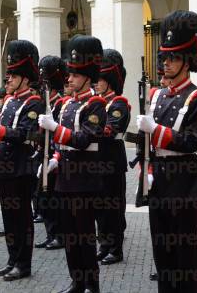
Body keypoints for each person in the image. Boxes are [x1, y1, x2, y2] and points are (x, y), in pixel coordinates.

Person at [136, 11, 197, 293]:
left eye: (174, 58)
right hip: (158, 183)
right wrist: (144, 163)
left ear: (188, 61)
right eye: (164, 58)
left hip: (182, 183)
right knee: (162, 251)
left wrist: (154, 130)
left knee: (183, 254)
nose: (166, 63)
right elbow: (147, 141)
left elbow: (191, 141)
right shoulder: (156, 95)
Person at [39, 35, 106, 293]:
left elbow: (82, 139)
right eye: (70, 74)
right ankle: (77, 281)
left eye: (76, 75)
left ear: (88, 77)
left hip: (85, 179)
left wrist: (55, 128)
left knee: (85, 236)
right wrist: (55, 158)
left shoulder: (96, 104)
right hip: (66, 178)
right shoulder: (68, 104)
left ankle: (92, 284)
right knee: (70, 236)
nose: (69, 79)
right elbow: (63, 144)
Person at [0, 40, 43, 282]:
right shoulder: (9, 101)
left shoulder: (34, 102)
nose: (9, 80)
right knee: (8, 216)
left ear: (25, 78)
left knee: (22, 218)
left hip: (22, 166)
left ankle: (23, 263)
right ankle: (12, 259)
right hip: (5, 165)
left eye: (14, 75)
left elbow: (24, 134)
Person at [95, 49, 130, 266]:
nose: (96, 83)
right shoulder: (97, 102)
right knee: (100, 208)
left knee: (113, 208)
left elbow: (111, 129)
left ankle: (115, 249)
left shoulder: (118, 103)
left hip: (112, 161)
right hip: (97, 162)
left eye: (100, 80)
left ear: (110, 81)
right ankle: (104, 244)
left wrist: (91, 127)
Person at [34, 55, 68, 251]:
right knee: (43, 196)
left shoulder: (60, 103)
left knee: (54, 197)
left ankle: (59, 234)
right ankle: (51, 233)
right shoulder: (47, 103)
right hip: (43, 153)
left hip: (55, 155)